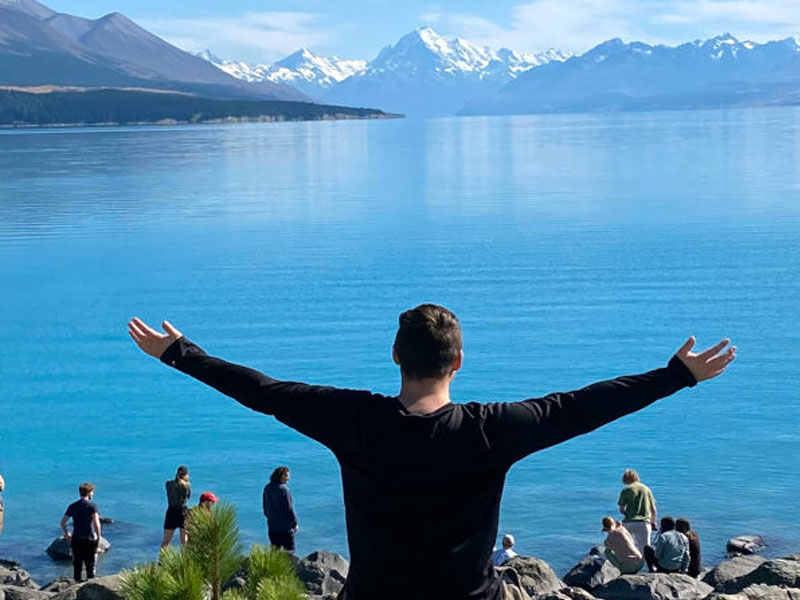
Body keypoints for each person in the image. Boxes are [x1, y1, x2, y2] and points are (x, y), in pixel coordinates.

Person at [128, 305, 735, 600]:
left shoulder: (355, 420)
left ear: (396, 358)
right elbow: (583, 406)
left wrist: (181, 353)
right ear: (459, 362)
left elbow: (263, 391)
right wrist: (675, 375)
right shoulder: (492, 429)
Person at [60, 482, 101, 582]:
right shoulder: (92, 506)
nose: (93, 494)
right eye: (92, 492)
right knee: (90, 565)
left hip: (76, 538)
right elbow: (96, 523)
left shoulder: (73, 506)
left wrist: (67, 533)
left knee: (77, 566)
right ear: (89, 493)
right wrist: (98, 537)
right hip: (89, 538)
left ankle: (76, 586)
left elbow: (63, 522)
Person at [618, 469, 657, 554]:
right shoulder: (646, 489)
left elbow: (621, 509)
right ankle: (645, 566)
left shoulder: (626, 490)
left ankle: (630, 565)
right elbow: (653, 509)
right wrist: (653, 522)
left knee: (626, 546)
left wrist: (627, 514)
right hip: (644, 522)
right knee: (645, 547)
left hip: (629, 522)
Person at [263, 466, 298, 552]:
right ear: (282, 476)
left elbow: (265, 509)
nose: (288, 479)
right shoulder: (284, 490)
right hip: (285, 529)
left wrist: (271, 518)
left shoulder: (267, 488)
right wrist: (295, 523)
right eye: (287, 476)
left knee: (275, 553)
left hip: (272, 527)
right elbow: (289, 509)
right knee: (289, 552)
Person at [162, 465, 191, 548]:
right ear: (186, 475)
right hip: (183, 512)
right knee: (184, 540)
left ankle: (162, 559)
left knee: (166, 540)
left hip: (171, 512)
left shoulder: (168, 484)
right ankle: (184, 559)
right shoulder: (186, 486)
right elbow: (188, 497)